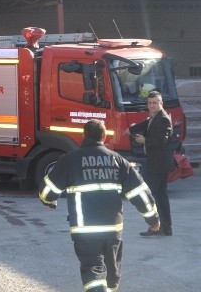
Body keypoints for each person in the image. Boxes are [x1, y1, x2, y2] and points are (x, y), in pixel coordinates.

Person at [39, 119, 160, 292]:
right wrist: (153, 220)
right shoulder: (117, 160)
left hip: (85, 230)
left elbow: (47, 191)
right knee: (112, 275)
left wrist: (49, 201)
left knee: (92, 270)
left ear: (84, 135)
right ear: (104, 137)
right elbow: (140, 193)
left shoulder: (70, 159)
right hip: (113, 229)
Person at [125, 89, 174, 236]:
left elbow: (161, 141)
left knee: (154, 196)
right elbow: (145, 124)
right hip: (157, 163)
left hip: (158, 165)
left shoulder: (163, 119)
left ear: (161, 103)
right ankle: (165, 228)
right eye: (150, 103)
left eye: (155, 103)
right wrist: (130, 130)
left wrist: (144, 140)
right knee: (160, 196)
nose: (152, 106)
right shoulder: (155, 117)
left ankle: (158, 227)